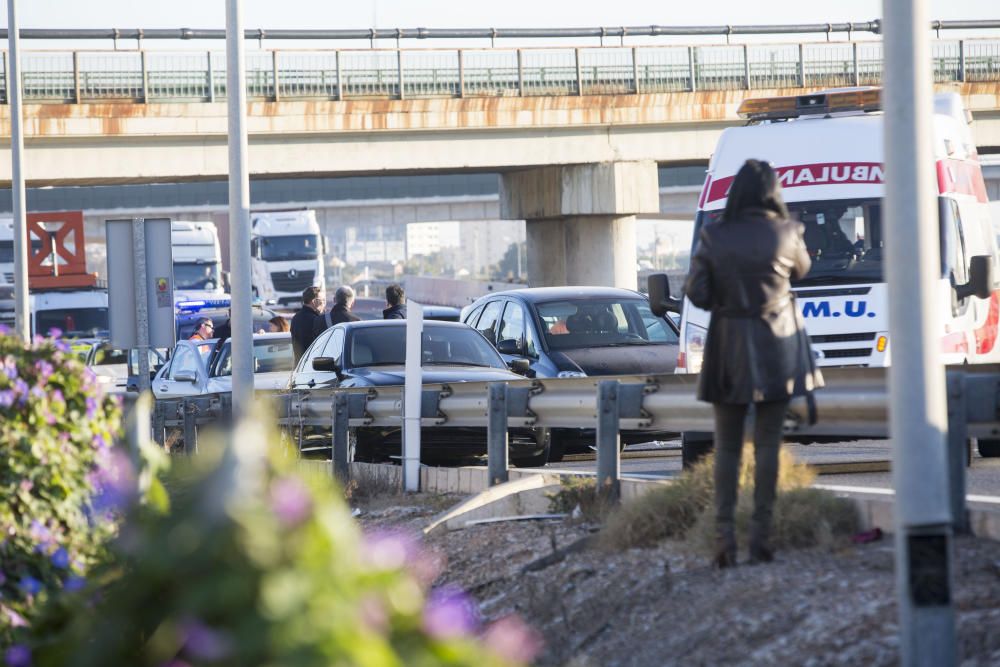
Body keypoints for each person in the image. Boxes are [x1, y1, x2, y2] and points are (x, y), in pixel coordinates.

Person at [684, 159, 823, 569]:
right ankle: (762, 536)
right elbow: (803, 270)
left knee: (726, 446)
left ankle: (724, 535)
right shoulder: (788, 232)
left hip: (728, 348)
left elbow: (698, 293)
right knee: (768, 445)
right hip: (776, 352)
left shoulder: (713, 235)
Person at [290, 286, 326, 362]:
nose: (324, 304)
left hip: (299, 365)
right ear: (314, 301)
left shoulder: (295, 318)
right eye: (322, 300)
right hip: (314, 365)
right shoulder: (316, 320)